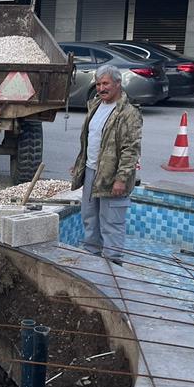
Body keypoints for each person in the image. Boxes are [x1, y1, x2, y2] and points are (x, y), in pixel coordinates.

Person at [71, 65, 142, 265]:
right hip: (91, 172)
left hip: (113, 177)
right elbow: (89, 140)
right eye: (98, 84)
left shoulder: (129, 113)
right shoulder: (95, 106)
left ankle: (113, 264)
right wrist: (80, 164)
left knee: (112, 222)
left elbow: (131, 150)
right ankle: (91, 259)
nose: (101, 88)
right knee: (90, 218)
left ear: (118, 84)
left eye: (106, 83)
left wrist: (121, 179)